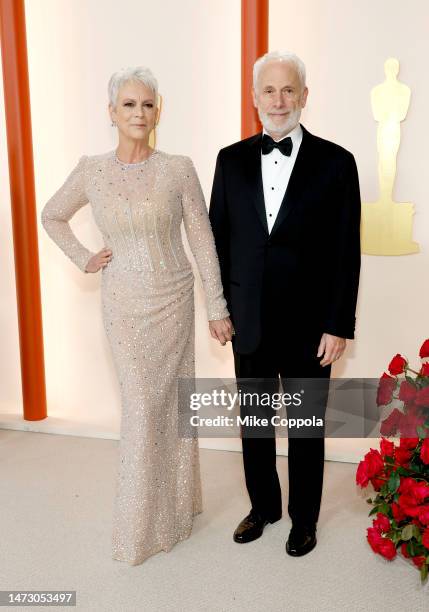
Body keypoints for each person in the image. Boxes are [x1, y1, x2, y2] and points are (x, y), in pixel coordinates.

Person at [41, 66, 233, 565]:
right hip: (123, 305)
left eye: (147, 104)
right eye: (128, 104)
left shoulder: (178, 168)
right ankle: (137, 530)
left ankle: (176, 509)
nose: (138, 113)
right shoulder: (91, 170)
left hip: (173, 297)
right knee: (143, 407)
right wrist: (84, 256)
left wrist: (216, 305)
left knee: (173, 406)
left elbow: (202, 238)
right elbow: (52, 214)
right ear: (111, 112)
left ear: (158, 111)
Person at [209, 51, 361, 556]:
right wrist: (217, 306)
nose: (279, 100)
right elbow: (218, 239)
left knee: (305, 429)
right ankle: (264, 507)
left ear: (304, 96)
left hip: (310, 324)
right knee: (254, 424)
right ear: (254, 100)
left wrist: (338, 324)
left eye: (288, 90)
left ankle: (304, 520)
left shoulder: (338, 163)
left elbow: (346, 251)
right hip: (247, 318)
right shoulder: (228, 161)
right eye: (269, 91)